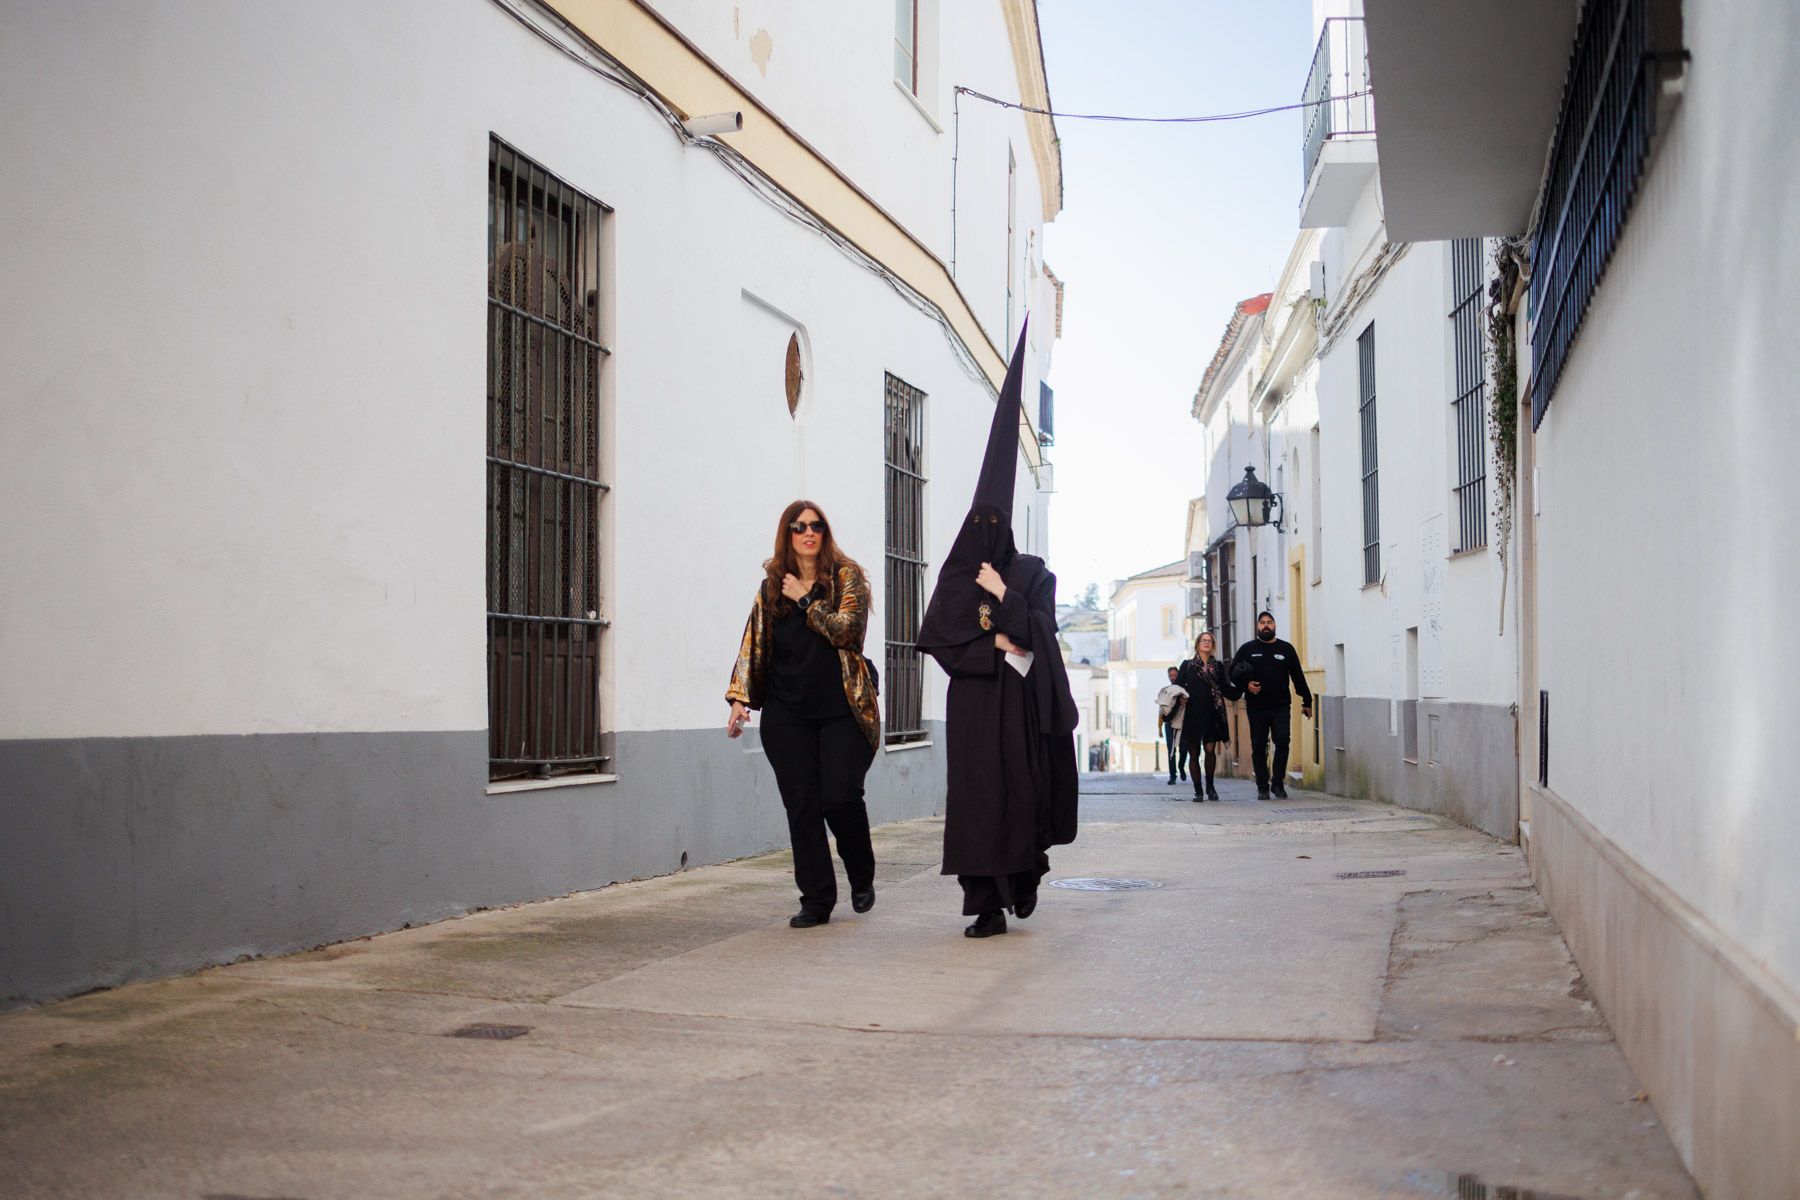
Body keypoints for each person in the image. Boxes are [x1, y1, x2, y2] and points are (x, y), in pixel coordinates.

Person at [917, 321, 1079, 939]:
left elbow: (1043, 629)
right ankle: (985, 903)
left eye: (996, 521)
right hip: (975, 705)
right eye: (977, 521)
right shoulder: (958, 577)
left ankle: (1026, 878)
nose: (988, 529)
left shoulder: (1033, 573)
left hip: (1020, 706)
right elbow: (938, 638)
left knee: (1022, 796)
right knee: (978, 804)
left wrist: (1003, 596)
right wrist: (994, 643)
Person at [726, 500, 881, 928]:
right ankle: (816, 899)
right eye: (799, 527)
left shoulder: (846, 577)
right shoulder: (772, 587)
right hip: (787, 712)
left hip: (842, 709)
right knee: (802, 806)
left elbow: (848, 632)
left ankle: (861, 871)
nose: (808, 533)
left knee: (839, 797)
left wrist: (809, 599)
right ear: (788, 534)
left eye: (816, 526)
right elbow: (754, 644)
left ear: (825, 533)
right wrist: (740, 698)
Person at [1229, 611, 1313, 800]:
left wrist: (1307, 700)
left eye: (1269, 622)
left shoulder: (1286, 649)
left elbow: (1297, 676)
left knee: (1282, 742)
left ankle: (1277, 783)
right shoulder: (1247, 649)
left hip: (1281, 706)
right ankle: (1262, 786)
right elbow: (1232, 673)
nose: (1265, 625)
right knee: (1259, 747)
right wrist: (1246, 685)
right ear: (1257, 627)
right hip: (1256, 706)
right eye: (1262, 623)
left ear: (1274, 626)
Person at [1175, 631, 1233, 802]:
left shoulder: (1218, 666)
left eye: (1210, 641)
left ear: (1213, 645)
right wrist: (1181, 697)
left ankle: (1210, 786)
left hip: (1213, 713)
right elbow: (1178, 686)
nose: (1207, 643)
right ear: (1197, 644)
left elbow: (1224, 686)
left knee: (1210, 750)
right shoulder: (1187, 665)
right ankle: (1198, 790)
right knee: (1194, 753)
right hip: (1192, 714)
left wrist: (1243, 689)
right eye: (1203, 640)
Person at [1155, 667, 1188, 786]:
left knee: (1184, 748)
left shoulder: (1183, 690)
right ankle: (1172, 775)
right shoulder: (1166, 691)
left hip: (1182, 723)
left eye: (1175, 675)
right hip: (1169, 724)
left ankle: (1181, 766)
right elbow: (1161, 709)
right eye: (1171, 675)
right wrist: (1160, 726)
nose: (1173, 677)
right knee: (1171, 750)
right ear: (1168, 677)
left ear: (1178, 675)